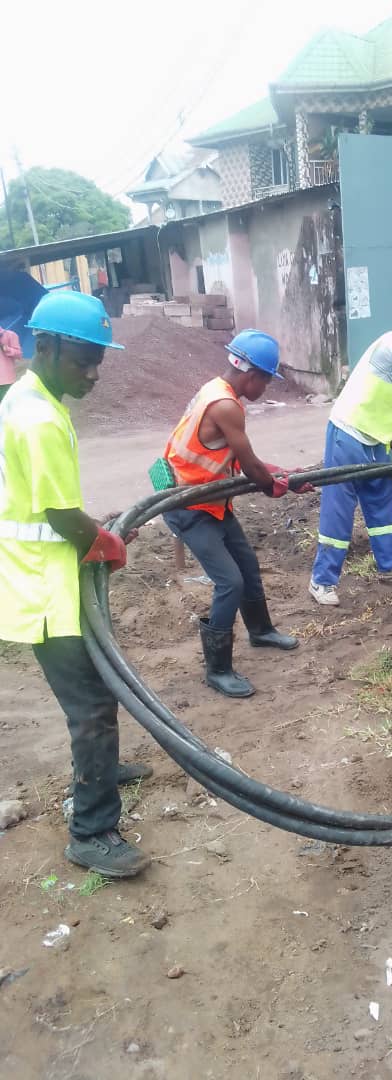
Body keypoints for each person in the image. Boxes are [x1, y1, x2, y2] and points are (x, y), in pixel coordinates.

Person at [0, 291, 151, 878]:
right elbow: (63, 517)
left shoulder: (29, 396)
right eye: (82, 361)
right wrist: (105, 541)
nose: (92, 375)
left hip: (52, 577)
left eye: (98, 362)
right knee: (91, 706)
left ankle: (102, 769)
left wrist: (96, 538)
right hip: (46, 590)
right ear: (49, 345)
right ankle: (91, 830)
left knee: (100, 687)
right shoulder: (37, 417)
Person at [161, 330, 312, 699]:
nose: (266, 388)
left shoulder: (216, 389)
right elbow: (252, 469)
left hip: (211, 499)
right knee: (230, 581)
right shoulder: (226, 405)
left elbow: (247, 463)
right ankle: (218, 669)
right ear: (253, 375)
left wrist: (283, 476)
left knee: (246, 565)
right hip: (188, 505)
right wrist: (277, 485)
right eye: (267, 380)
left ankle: (260, 631)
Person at [308, 303, 392, 607]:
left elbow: (379, 401)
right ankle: (322, 581)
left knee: (382, 501)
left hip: (375, 440)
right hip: (348, 432)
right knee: (339, 508)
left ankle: (390, 566)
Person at [0, 324, 22, 403]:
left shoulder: (11, 335)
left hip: (5, 380)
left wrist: (7, 349)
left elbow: (19, 354)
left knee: (5, 405)